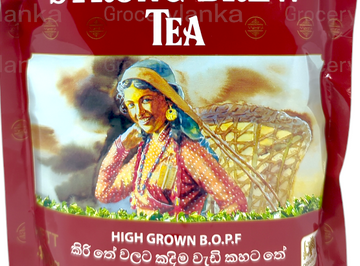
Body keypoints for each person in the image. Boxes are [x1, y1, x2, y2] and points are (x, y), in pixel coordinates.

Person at [95, 59, 247, 214]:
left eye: (146, 100)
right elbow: (105, 193)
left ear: (168, 100)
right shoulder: (144, 154)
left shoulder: (187, 152)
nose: (139, 113)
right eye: (131, 105)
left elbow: (235, 203)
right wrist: (120, 147)